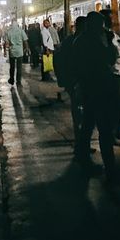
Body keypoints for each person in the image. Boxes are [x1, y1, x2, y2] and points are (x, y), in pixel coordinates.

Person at [72, 11, 120, 184]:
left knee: (87, 126)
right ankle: (111, 172)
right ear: (96, 26)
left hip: (87, 90)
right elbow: (110, 58)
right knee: (105, 131)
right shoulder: (96, 42)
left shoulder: (79, 41)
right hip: (99, 90)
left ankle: (82, 158)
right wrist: (108, 42)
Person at [53, 16, 86, 149]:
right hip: (78, 82)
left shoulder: (68, 41)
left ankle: (81, 142)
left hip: (74, 82)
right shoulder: (79, 42)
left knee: (79, 112)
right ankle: (81, 145)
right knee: (80, 113)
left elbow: (58, 59)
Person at [100, 9, 120, 146]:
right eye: (110, 18)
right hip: (113, 74)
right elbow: (116, 51)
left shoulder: (112, 34)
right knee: (113, 105)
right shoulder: (104, 35)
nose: (113, 20)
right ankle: (112, 135)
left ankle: (119, 131)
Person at [4, 17, 29, 86]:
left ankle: (11, 79)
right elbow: (25, 40)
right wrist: (26, 48)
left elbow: (6, 43)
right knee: (19, 67)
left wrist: (5, 52)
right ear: (17, 23)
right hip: (20, 51)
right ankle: (18, 81)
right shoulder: (21, 30)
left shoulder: (9, 31)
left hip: (12, 51)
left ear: (11, 24)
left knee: (12, 67)